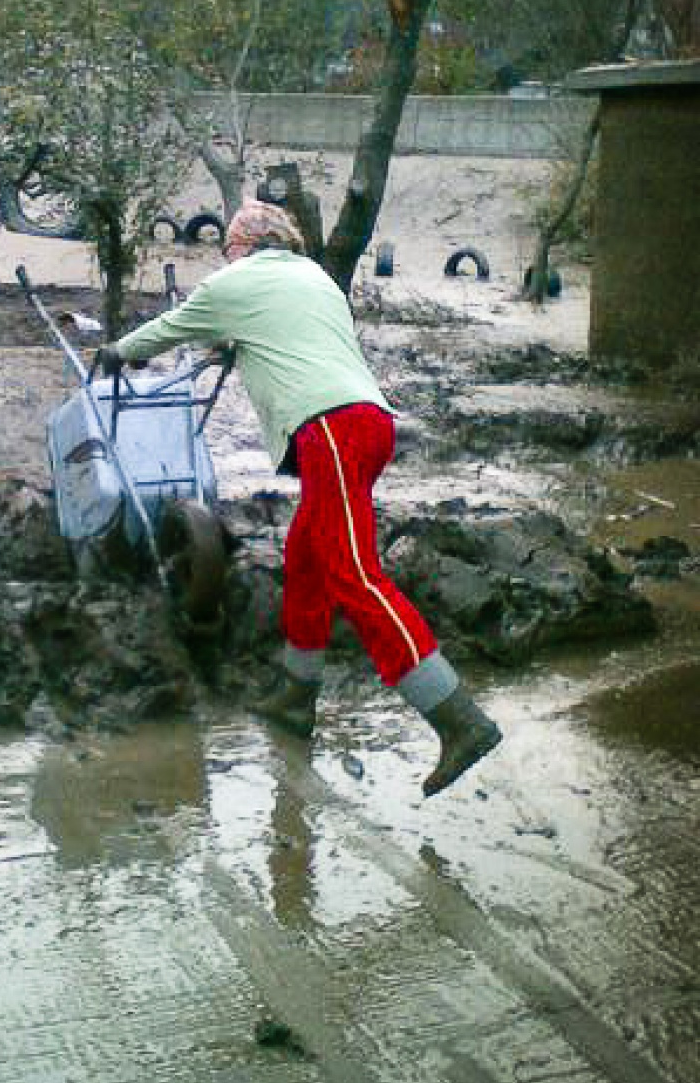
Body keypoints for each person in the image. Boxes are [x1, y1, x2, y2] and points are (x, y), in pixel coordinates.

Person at [98, 199, 501, 798]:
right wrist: (238, 341)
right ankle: (295, 693)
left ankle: (458, 720)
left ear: (244, 245)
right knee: (306, 557)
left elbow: (169, 329)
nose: (226, 256)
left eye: (228, 247)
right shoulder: (313, 277)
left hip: (331, 429)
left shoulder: (235, 281)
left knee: (355, 575)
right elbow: (289, 333)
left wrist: (116, 352)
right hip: (366, 424)